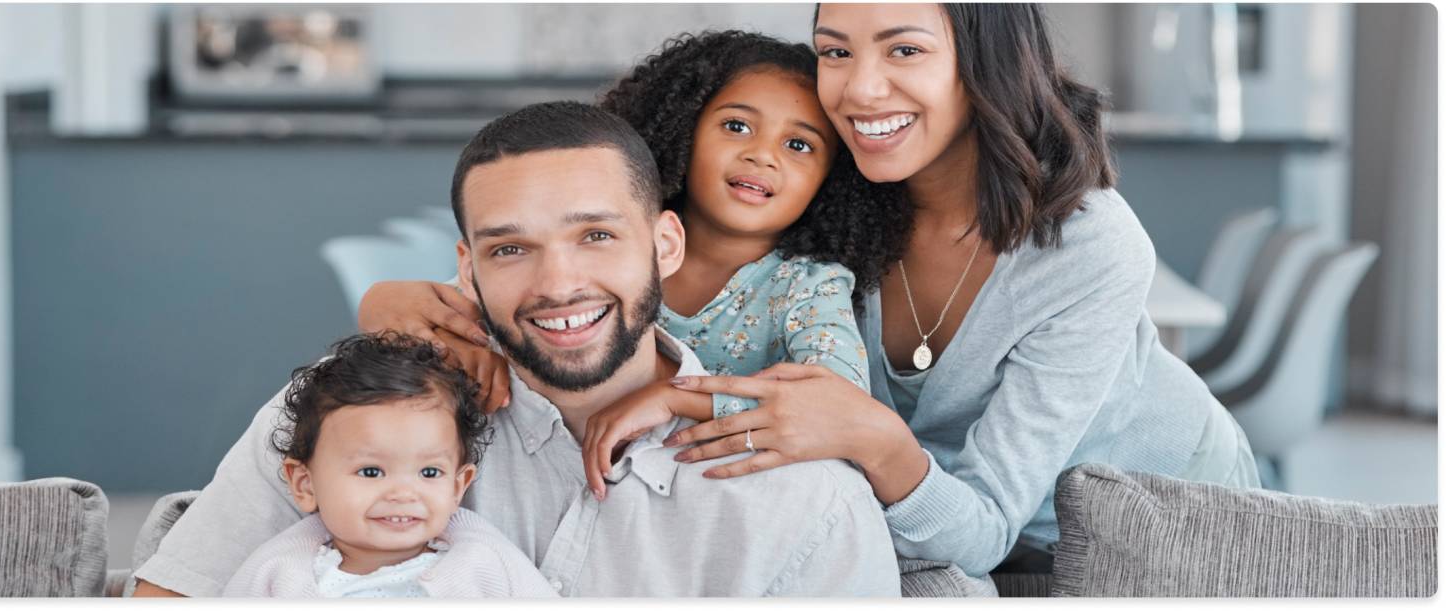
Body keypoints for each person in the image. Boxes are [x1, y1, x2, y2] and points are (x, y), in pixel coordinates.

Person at [366, 5, 1262, 579]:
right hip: (938, 523)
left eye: (903, 49)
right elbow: (580, 269)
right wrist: (395, 305)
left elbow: (983, 517)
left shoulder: (1090, 247)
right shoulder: (835, 194)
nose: (858, 89)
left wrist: (863, 430)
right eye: (836, 50)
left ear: (985, 60)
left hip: (1160, 519)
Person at [132, 101, 901, 597]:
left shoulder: (803, 498)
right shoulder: (350, 415)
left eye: (596, 236)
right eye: (510, 250)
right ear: (466, 268)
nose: (558, 283)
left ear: (666, 243)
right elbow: (173, 593)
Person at [358, 31, 911, 496]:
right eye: (737, 126)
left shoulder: (807, 287)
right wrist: (381, 302)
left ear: (831, 179)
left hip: (712, 493)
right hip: (556, 472)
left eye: (800, 146)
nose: (762, 155)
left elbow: (835, 401)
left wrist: (674, 397)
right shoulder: (603, 243)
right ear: (683, 129)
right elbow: (487, 298)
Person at [221, 333, 556, 598]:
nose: (402, 493)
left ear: (458, 485)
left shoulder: (484, 565)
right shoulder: (277, 574)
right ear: (305, 484)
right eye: (371, 472)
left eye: (429, 473)